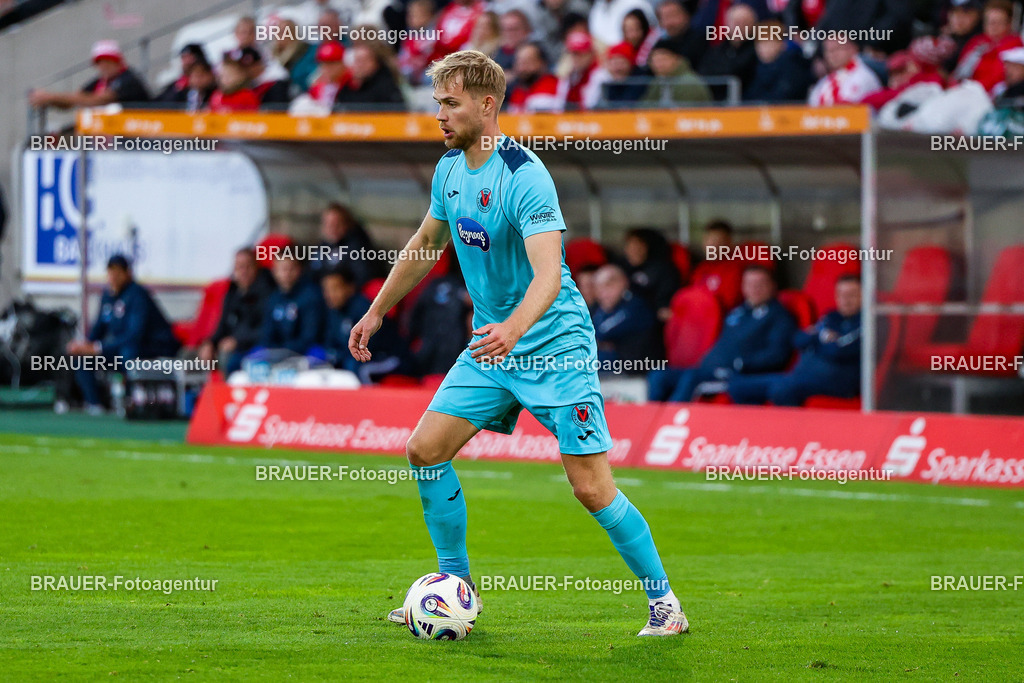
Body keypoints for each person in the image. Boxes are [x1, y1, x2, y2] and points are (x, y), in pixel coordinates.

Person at [350, 49, 687, 637]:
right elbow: (427, 244)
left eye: (450, 104)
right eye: (437, 105)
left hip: (553, 345)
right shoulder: (449, 169)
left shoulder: (525, 176)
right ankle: (454, 590)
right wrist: (378, 310)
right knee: (425, 450)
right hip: (492, 347)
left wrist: (514, 328)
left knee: (589, 487)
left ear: (488, 104)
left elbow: (549, 274)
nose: (440, 116)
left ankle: (665, 604)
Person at [648, 265, 795, 402]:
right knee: (659, 375)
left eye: (760, 284)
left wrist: (741, 364)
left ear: (772, 286)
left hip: (733, 375)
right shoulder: (738, 312)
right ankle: (648, 422)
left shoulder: (779, 316)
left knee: (691, 377)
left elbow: (777, 354)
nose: (754, 289)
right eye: (749, 284)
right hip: (707, 369)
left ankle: (667, 423)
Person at [66, 255, 180, 414]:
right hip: (122, 347)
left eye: (118, 273)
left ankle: (131, 401)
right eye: (111, 273)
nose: (113, 278)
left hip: (153, 347)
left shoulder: (138, 295)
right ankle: (95, 404)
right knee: (81, 357)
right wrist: (85, 345)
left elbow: (134, 335)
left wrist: (98, 348)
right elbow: (99, 327)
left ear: (128, 273)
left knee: (128, 353)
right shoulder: (108, 296)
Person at [728, 275, 861, 406]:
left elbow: (839, 350)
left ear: (864, 296)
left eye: (851, 295)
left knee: (782, 390)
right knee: (738, 387)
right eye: (841, 295)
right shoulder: (831, 317)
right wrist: (822, 338)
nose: (845, 300)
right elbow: (799, 340)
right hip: (802, 376)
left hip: (838, 382)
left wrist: (818, 339)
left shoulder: (866, 322)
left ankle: (794, 427)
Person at [321, 267, 413, 382]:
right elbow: (330, 342)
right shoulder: (333, 311)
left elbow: (366, 348)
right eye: (327, 290)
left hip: (389, 357)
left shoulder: (364, 308)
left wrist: (341, 356)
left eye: (335, 288)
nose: (330, 294)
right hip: (358, 358)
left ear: (350, 288)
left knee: (358, 369)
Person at [199, 248, 276, 376]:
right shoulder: (231, 293)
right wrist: (209, 343)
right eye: (239, 267)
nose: (244, 271)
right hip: (229, 345)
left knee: (226, 357)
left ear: (256, 267)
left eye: (248, 266)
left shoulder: (267, 294)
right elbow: (221, 326)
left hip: (251, 347)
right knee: (187, 356)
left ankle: (224, 395)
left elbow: (266, 330)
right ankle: (194, 395)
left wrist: (238, 341)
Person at [29, 40, 150, 110]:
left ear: (117, 62)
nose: (103, 66)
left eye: (107, 61)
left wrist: (51, 96)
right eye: (99, 63)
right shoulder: (100, 81)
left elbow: (98, 100)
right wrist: (46, 99)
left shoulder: (128, 79)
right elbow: (71, 102)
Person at [256, 255, 325, 355]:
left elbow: (310, 336)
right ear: (274, 272)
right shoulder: (272, 298)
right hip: (276, 353)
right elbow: (267, 334)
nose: (287, 273)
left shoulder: (311, 295)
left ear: (299, 269)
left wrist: (283, 351)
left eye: (291, 268)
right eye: (283, 269)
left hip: (304, 352)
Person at [591, 264, 657, 367]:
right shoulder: (602, 309)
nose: (602, 293)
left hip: (638, 366)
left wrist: (601, 342)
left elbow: (600, 333)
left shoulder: (635, 306)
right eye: (598, 288)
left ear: (623, 282)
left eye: (608, 285)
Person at [952, 0, 1023, 95]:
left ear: (1009, 24)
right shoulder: (976, 41)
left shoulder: (1014, 44)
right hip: (962, 90)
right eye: (989, 22)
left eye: (998, 22)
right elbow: (959, 71)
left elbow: (998, 76)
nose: (993, 27)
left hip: (986, 95)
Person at [697, 2, 758, 99]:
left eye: (744, 22)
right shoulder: (717, 49)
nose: (739, 27)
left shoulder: (756, 51)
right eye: (736, 22)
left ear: (753, 25)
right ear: (727, 23)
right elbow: (704, 73)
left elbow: (742, 74)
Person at [307, 202, 379, 285]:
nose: (332, 229)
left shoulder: (358, 247)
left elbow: (364, 277)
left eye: (337, 224)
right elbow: (311, 273)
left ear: (347, 224)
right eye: (327, 224)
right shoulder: (324, 246)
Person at [744, 19, 813, 103]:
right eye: (759, 43)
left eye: (767, 42)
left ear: (781, 44)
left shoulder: (793, 66)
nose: (762, 48)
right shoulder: (756, 68)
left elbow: (783, 96)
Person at [622, 227, 680, 320]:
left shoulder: (663, 271)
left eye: (639, 246)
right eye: (630, 245)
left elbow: (664, 307)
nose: (633, 250)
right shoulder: (620, 268)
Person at [808, 39, 884, 106]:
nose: (833, 55)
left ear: (853, 49)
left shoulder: (864, 76)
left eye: (838, 49)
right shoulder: (825, 82)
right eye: (829, 51)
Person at [640, 38, 712, 105]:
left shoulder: (688, 83)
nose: (658, 64)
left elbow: (686, 113)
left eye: (663, 59)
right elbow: (645, 107)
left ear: (677, 59)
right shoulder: (658, 81)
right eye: (654, 61)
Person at [336, 43, 406, 106]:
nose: (358, 65)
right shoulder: (348, 87)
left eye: (363, 61)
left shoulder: (386, 88)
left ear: (375, 63)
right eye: (356, 61)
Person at [557, 31, 609, 110]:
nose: (576, 58)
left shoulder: (601, 75)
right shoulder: (570, 75)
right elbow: (560, 104)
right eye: (573, 54)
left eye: (580, 54)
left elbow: (590, 104)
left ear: (591, 54)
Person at [506, 42, 562, 112]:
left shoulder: (551, 85)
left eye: (527, 62)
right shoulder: (518, 91)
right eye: (519, 63)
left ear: (542, 63)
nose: (521, 68)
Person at [654, 0, 706, 71]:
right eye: (665, 18)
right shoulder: (660, 46)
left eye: (673, 15)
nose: (670, 23)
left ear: (686, 16)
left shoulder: (700, 41)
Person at [271, 18, 319, 92]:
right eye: (278, 31)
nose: (281, 35)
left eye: (285, 32)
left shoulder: (305, 50)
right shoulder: (272, 55)